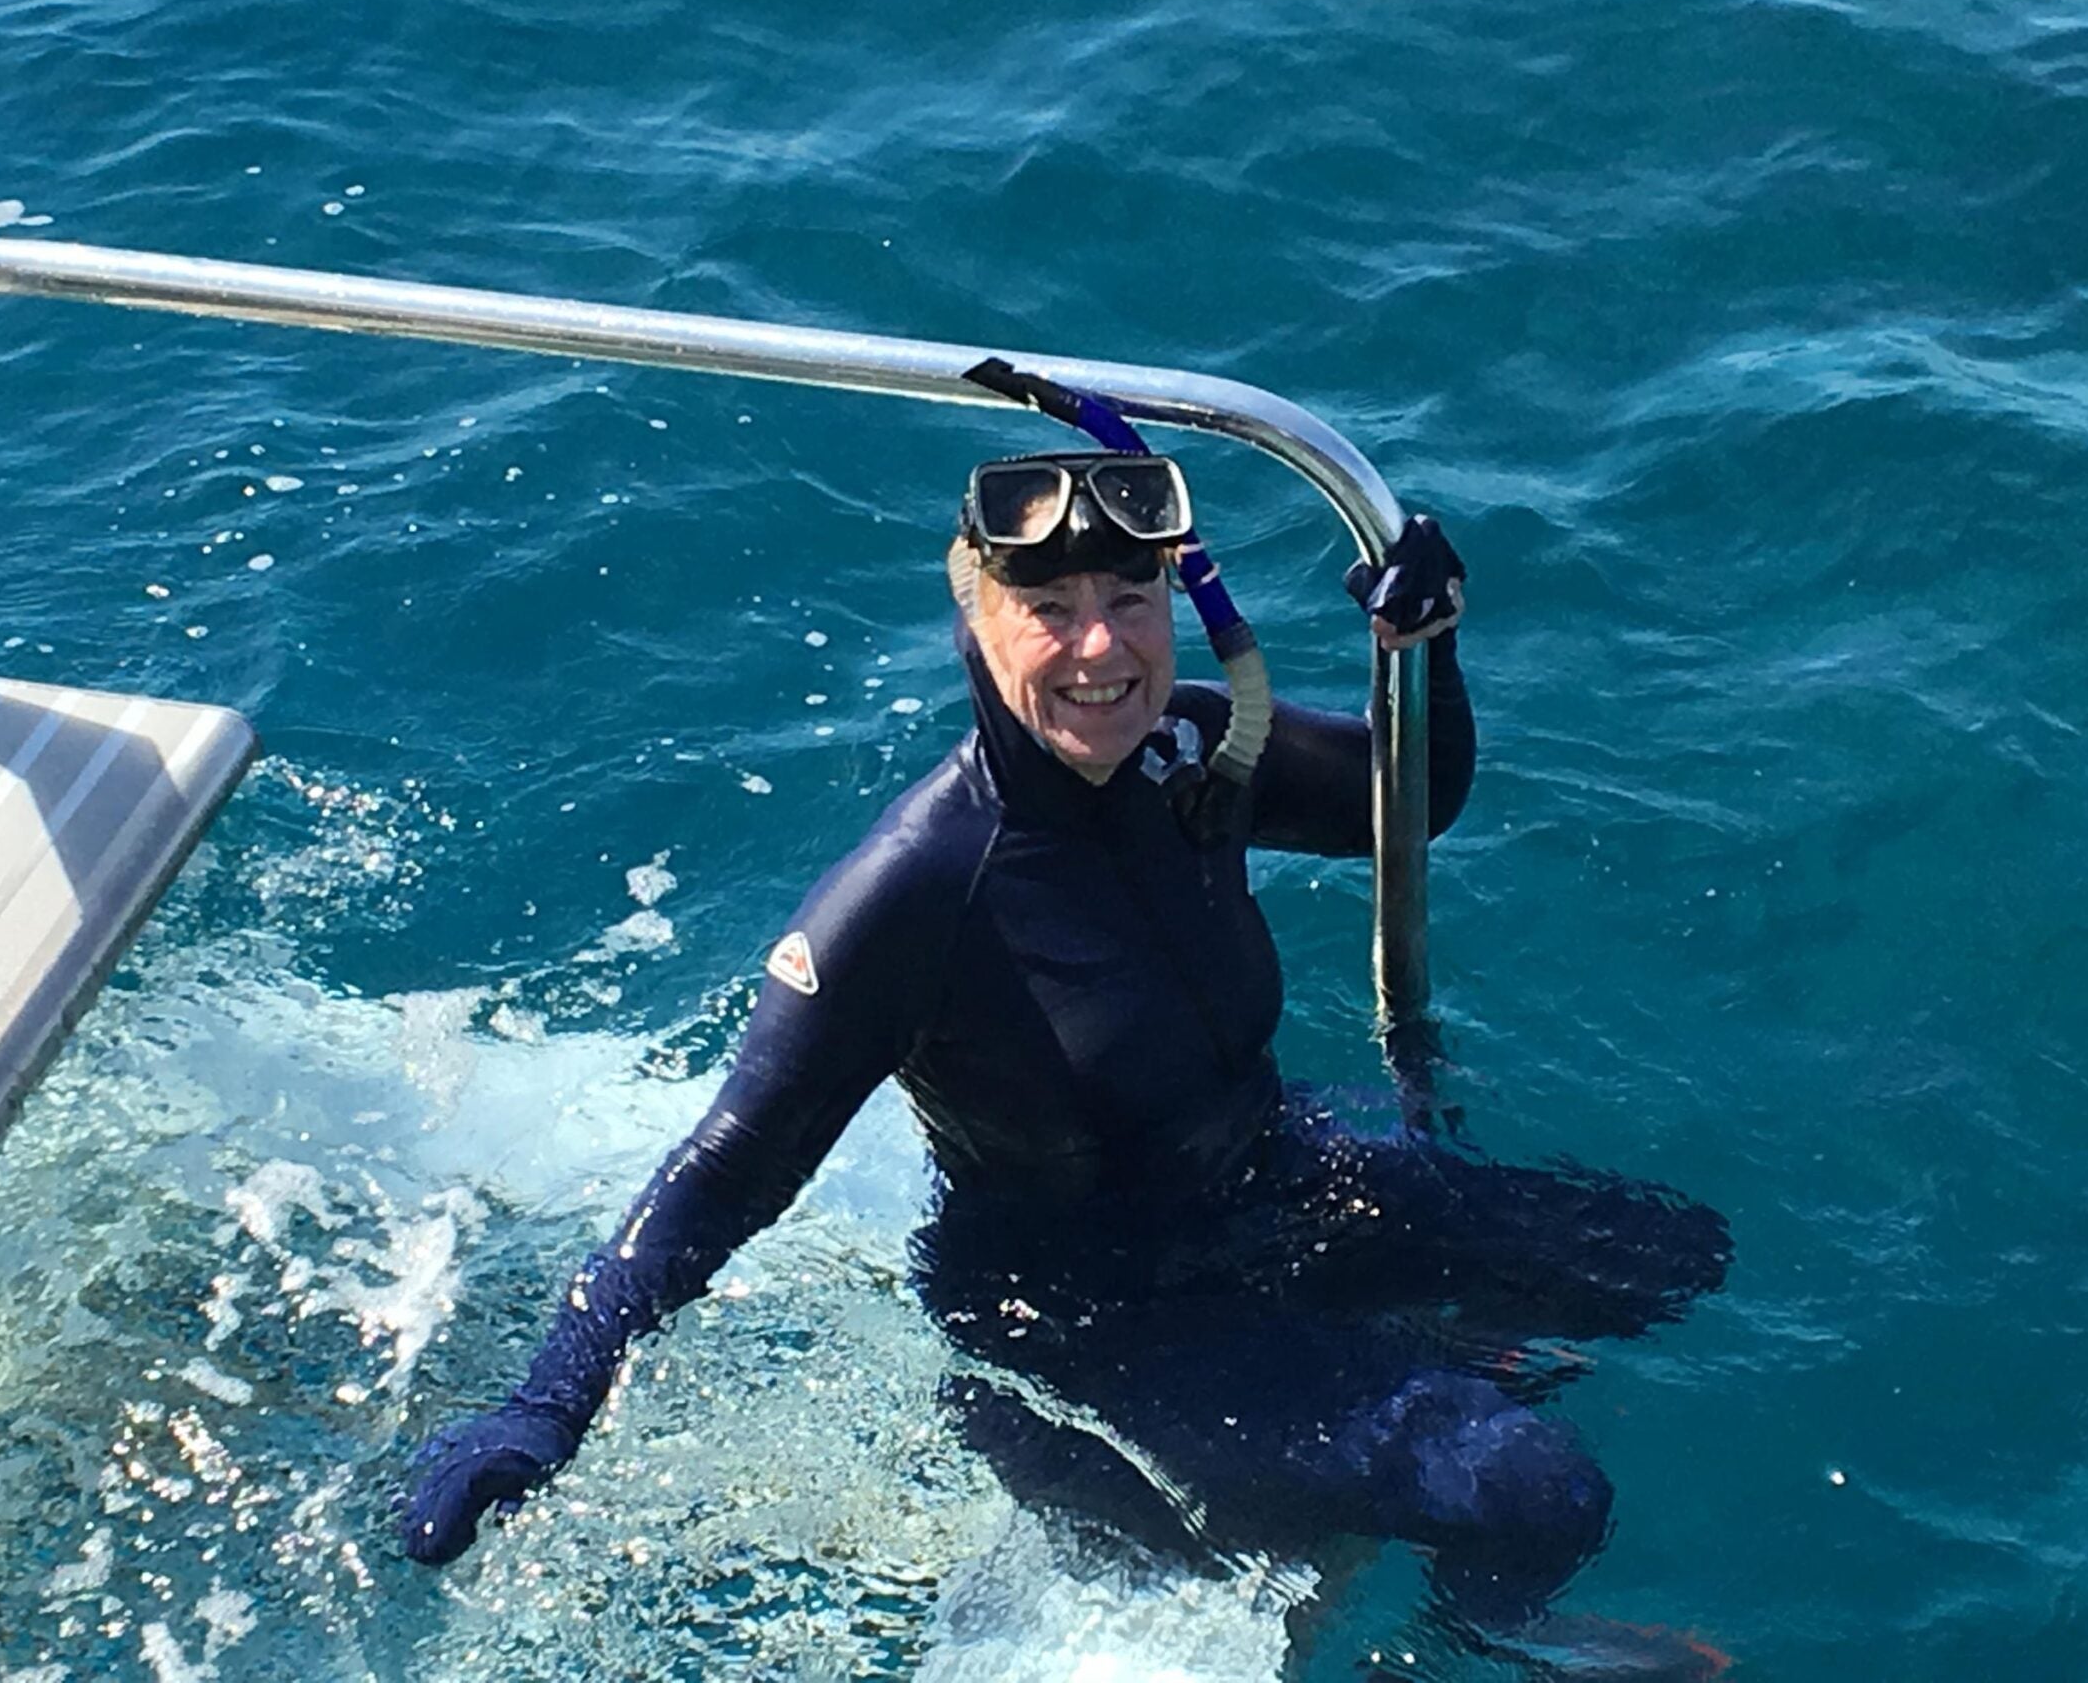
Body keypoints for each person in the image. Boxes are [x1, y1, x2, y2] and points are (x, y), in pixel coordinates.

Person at [400, 439, 1731, 1656]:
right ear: (979, 631)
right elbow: (725, 1171)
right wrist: (547, 1407)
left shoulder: (1193, 749)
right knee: (1534, 1487)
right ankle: (1491, 1635)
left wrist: (1428, 649)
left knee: (1665, 1260)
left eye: (1129, 601)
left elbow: (1413, 801)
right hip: (1095, 1317)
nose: (1100, 648)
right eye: (1051, 612)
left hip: (1274, 1185)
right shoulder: (915, 893)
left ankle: (1388, 1385)